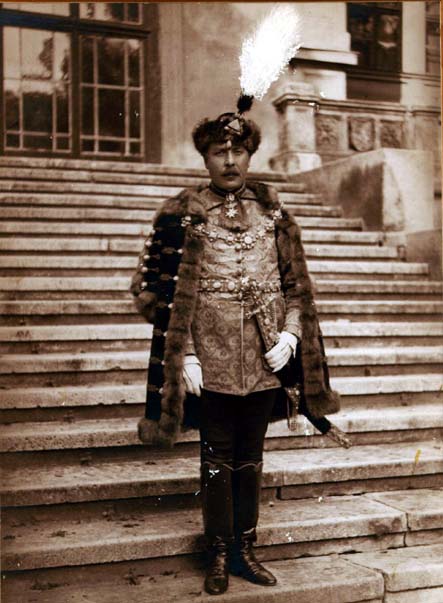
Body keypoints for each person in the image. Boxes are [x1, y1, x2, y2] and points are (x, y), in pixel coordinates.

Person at [130, 111, 342, 596]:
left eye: (238, 151)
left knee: (251, 458)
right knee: (216, 457)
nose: (229, 161)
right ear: (204, 158)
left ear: (250, 155)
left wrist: (291, 336)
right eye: (218, 152)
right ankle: (219, 552)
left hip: (266, 359)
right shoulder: (179, 213)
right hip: (210, 362)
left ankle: (246, 549)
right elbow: (152, 292)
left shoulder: (275, 212)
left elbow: (297, 288)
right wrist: (184, 355)